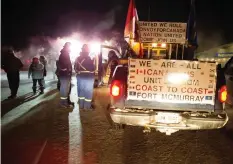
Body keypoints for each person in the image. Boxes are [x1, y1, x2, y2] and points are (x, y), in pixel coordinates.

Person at [74, 44, 95, 110]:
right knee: (88, 91)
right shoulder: (89, 59)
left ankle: (81, 105)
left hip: (80, 76)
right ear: (88, 51)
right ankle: (87, 106)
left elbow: (75, 68)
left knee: (81, 90)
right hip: (88, 76)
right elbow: (92, 69)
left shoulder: (77, 58)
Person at [57, 42, 74, 108]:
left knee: (66, 88)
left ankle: (66, 101)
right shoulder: (65, 53)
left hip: (65, 74)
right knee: (64, 89)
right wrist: (66, 69)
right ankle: (63, 103)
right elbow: (64, 64)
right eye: (69, 47)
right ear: (67, 47)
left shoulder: (64, 53)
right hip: (65, 74)